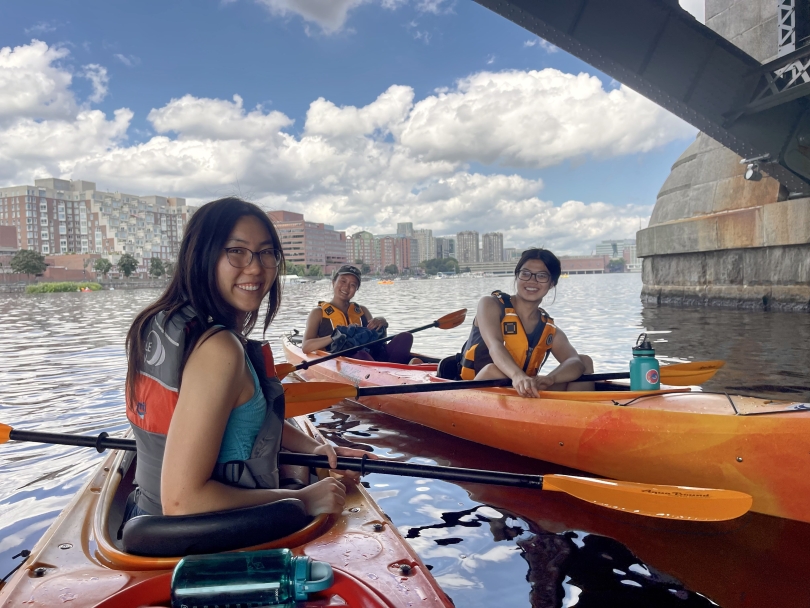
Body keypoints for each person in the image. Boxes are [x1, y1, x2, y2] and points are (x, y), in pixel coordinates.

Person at [124, 197, 372, 521]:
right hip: (198, 537)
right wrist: (301, 499)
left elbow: (242, 420)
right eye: (236, 251)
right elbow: (182, 502)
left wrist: (313, 449)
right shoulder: (219, 349)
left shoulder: (157, 323)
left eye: (266, 252)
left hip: (141, 512)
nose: (255, 267)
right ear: (203, 256)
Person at [452, 248, 594, 398]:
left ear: (552, 283)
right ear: (517, 276)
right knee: (494, 370)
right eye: (525, 274)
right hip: (476, 388)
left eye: (541, 276)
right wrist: (517, 375)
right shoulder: (490, 305)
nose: (532, 281)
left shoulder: (548, 329)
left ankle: (575, 418)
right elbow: (495, 346)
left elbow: (576, 362)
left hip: (521, 391)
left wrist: (550, 378)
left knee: (585, 362)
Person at [301, 264, 414, 364]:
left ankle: (403, 369)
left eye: (353, 285)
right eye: (343, 281)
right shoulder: (318, 313)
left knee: (406, 337)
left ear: (356, 289)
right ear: (333, 282)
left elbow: (380, 341)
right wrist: (334, 336)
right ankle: (395, 369)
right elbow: (306, 347)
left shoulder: (362, 311)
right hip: (344, 361)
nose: (346, 287)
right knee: (361, 356)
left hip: (373, 356)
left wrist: (382, 323)